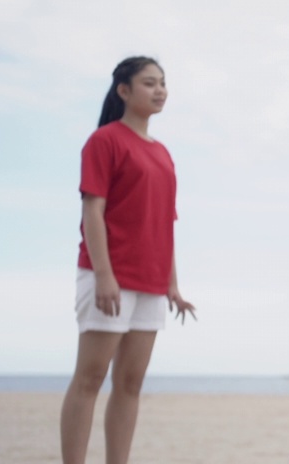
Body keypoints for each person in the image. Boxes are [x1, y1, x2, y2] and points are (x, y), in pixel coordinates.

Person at [60, 56, 197, 464]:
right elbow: (93, 211)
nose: (160, 91)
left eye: (163, 83)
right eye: (149, 83)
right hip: (109, 277)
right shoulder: (105, 141)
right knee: (90, 378)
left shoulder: (164, 154)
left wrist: (172, 284)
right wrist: (104, 275)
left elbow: (164, 223)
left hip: (152, 284)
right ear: (124, 90)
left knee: (131, 384)